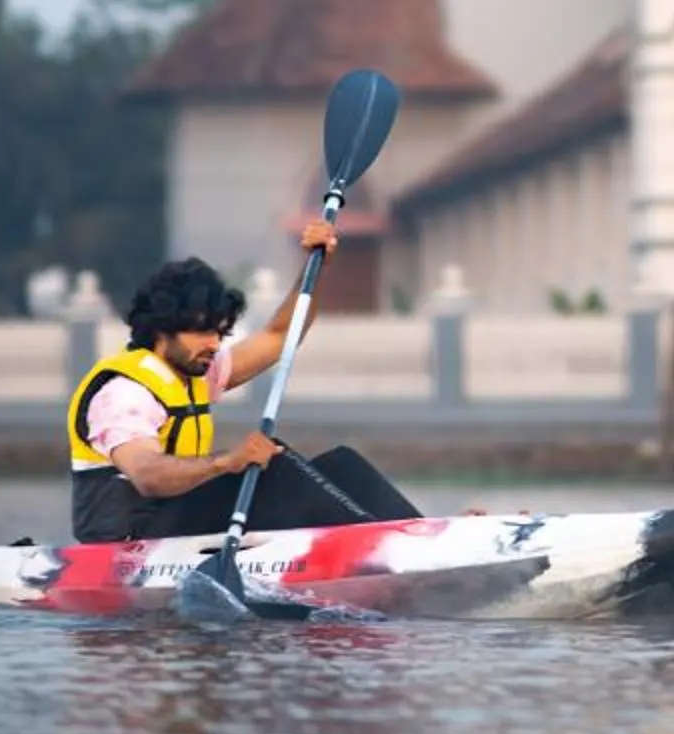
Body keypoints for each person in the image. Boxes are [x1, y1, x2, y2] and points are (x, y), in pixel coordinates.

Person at [66, 226, 421, 543]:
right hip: (128, 540)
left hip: (177, 520)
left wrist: (316, 266)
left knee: (341, 464)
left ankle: (418, 535)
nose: (214, 344)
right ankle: (385, 547)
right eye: (202, 331)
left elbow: (280, 335)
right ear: (161, 329)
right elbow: (147, 475)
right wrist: (228, 462)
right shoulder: (123, 393)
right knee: (274, 468)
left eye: (219, 332)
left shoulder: (194, 373)